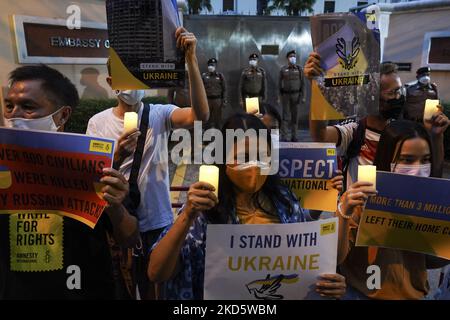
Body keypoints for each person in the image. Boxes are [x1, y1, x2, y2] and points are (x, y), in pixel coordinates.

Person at [148, 113, 347, 300]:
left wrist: (328, 284)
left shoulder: (285, 201)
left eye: (262, 157)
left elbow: (309, 263)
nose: (254, 166)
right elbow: (156, 272)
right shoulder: (203, 211)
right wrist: (188, 215)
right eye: (243, 157)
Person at [86, 27, 209, 299]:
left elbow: (200, 116)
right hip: (119, 224)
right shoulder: (98, 123)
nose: (132, 84)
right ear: (111, 81)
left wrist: (191, 62)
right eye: (124, 77)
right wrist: (116, 157)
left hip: (158, 220)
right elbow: (93, 176)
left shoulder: (159, 113)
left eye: (136, 76)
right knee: (124, 287)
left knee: (158, 286)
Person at [0, 64, 139, 299]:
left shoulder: (98, 166)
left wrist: (114, 205)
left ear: (62, 115)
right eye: (9, 106)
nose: (14, 115)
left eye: (28, 107)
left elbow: (129, 237)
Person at [337, 120, 450, 299]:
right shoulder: (361, 198)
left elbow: (433, 260)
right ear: (388, 158)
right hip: (361, 295)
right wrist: (344, 212)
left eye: (425, 160)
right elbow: (337, 259)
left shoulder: (428, 203)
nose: (417, 168)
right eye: (407, 160)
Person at [304, 53, 449, 187]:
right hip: (357, 211)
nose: (399, 97)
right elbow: (320, 135)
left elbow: (430, 180)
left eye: (400, 91)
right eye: (393, 92)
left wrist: (436, 136)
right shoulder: (355, 131)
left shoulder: (406, 133)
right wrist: (317, 87)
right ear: (371, 98)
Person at [279, 50, 306, 142]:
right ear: (287, 58)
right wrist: (279, 97)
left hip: (296, 95)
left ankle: (294, 136)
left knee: (295, 117)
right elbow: (279, 84)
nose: (293, 58)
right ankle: (284, 136)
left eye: (294, 56)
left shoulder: (299, 69)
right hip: (286, 96)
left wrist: (303, 96)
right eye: (291, 56)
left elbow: (303, 84)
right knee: (285, 117)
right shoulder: (283, 69)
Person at [201, 58, 226, 130]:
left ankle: (220, 134)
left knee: (218, 119)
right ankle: (205, 134)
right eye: (209, 65)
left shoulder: (220, 76)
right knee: (206, 118)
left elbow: (224, 89)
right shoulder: (204, 76)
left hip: (217, 100)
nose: (210, 66)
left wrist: (224, 101)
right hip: (207, 100)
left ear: (215, 66)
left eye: (212, 65)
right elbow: (201, 89)